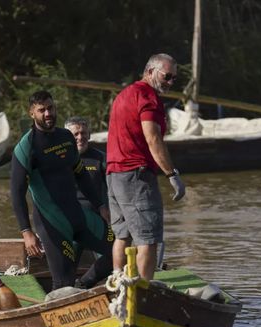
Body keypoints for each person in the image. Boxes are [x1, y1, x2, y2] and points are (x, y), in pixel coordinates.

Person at [10, 91, 113, 290]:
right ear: (32, 113)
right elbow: (16, 192)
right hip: (52, 224)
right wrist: (26, 232)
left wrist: (101, 205)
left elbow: (80, 173)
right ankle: (62, 311)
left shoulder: (66, 137)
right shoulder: (26, 147)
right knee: (63, 281)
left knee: (118, 249)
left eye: (50, 108)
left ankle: (83, 287)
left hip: (78, 216)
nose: (47, 113)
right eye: (41, 110)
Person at [106, 53, 185, 281]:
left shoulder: (124, 94)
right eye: (167, 76)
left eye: (174, 79)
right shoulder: (147, 97)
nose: (170, 82)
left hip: (114, 174)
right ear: (150, 71)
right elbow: (153, 138)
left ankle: (117, 284)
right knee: (147, 239)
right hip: (136, 175)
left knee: (122, 236)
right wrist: (172, 174)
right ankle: (142, 293)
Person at [64, 116, 107, 213]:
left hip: (97, 214)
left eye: (83, 133)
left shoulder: (101, 158)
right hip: (69, 214)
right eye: (76, 134)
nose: (80, 137)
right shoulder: (60, 159)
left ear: (89, 135)